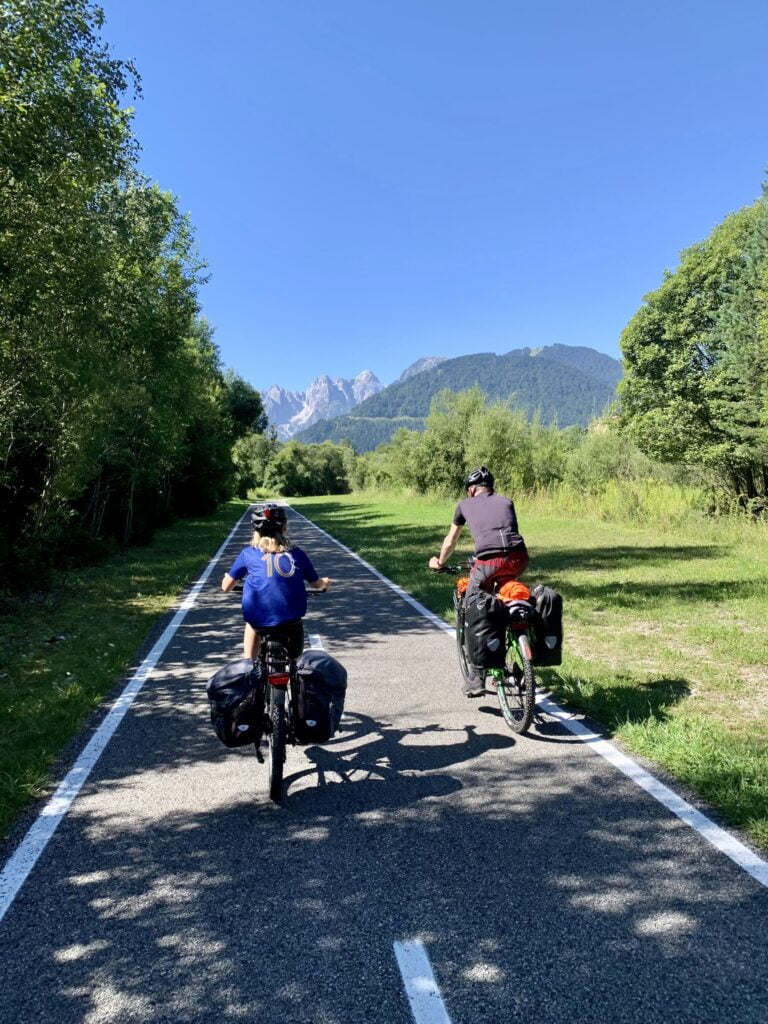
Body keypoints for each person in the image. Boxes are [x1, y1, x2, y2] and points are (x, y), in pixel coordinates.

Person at [429, 466, 529, 696]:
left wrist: (440, 562)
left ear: (471, 490)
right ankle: (523, 646)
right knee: (506, 594)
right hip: (519, 558)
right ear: (491, 487)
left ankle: (476, 675)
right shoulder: (506, 501)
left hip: (488, 563)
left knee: (474, 605)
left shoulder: (464, 505)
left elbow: (451, 540)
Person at [221, 503, 330, 660]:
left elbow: (226, 587)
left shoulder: (248, 554)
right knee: (296, 659)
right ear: (284, 528)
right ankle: (296, 670)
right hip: (291, 621)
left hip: (259, 621)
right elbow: (317, 583)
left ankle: (248, 665)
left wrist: (227, 579)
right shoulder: (297, 554)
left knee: (252, 624)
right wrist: (325, 583)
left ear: (256, 531)